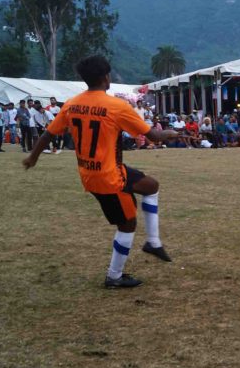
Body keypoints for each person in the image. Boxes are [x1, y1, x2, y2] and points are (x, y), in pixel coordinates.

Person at [23, 55, 178, 288]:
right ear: (106, 78)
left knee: (151, 186)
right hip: (108, 178)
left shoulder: (72, 103)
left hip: (94, 172)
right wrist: (171, 133)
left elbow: (48, 134)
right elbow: (154, 137)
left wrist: (32, 157)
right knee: (127, 225)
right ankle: (114, 277)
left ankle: (153, 242)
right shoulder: (116, 106)